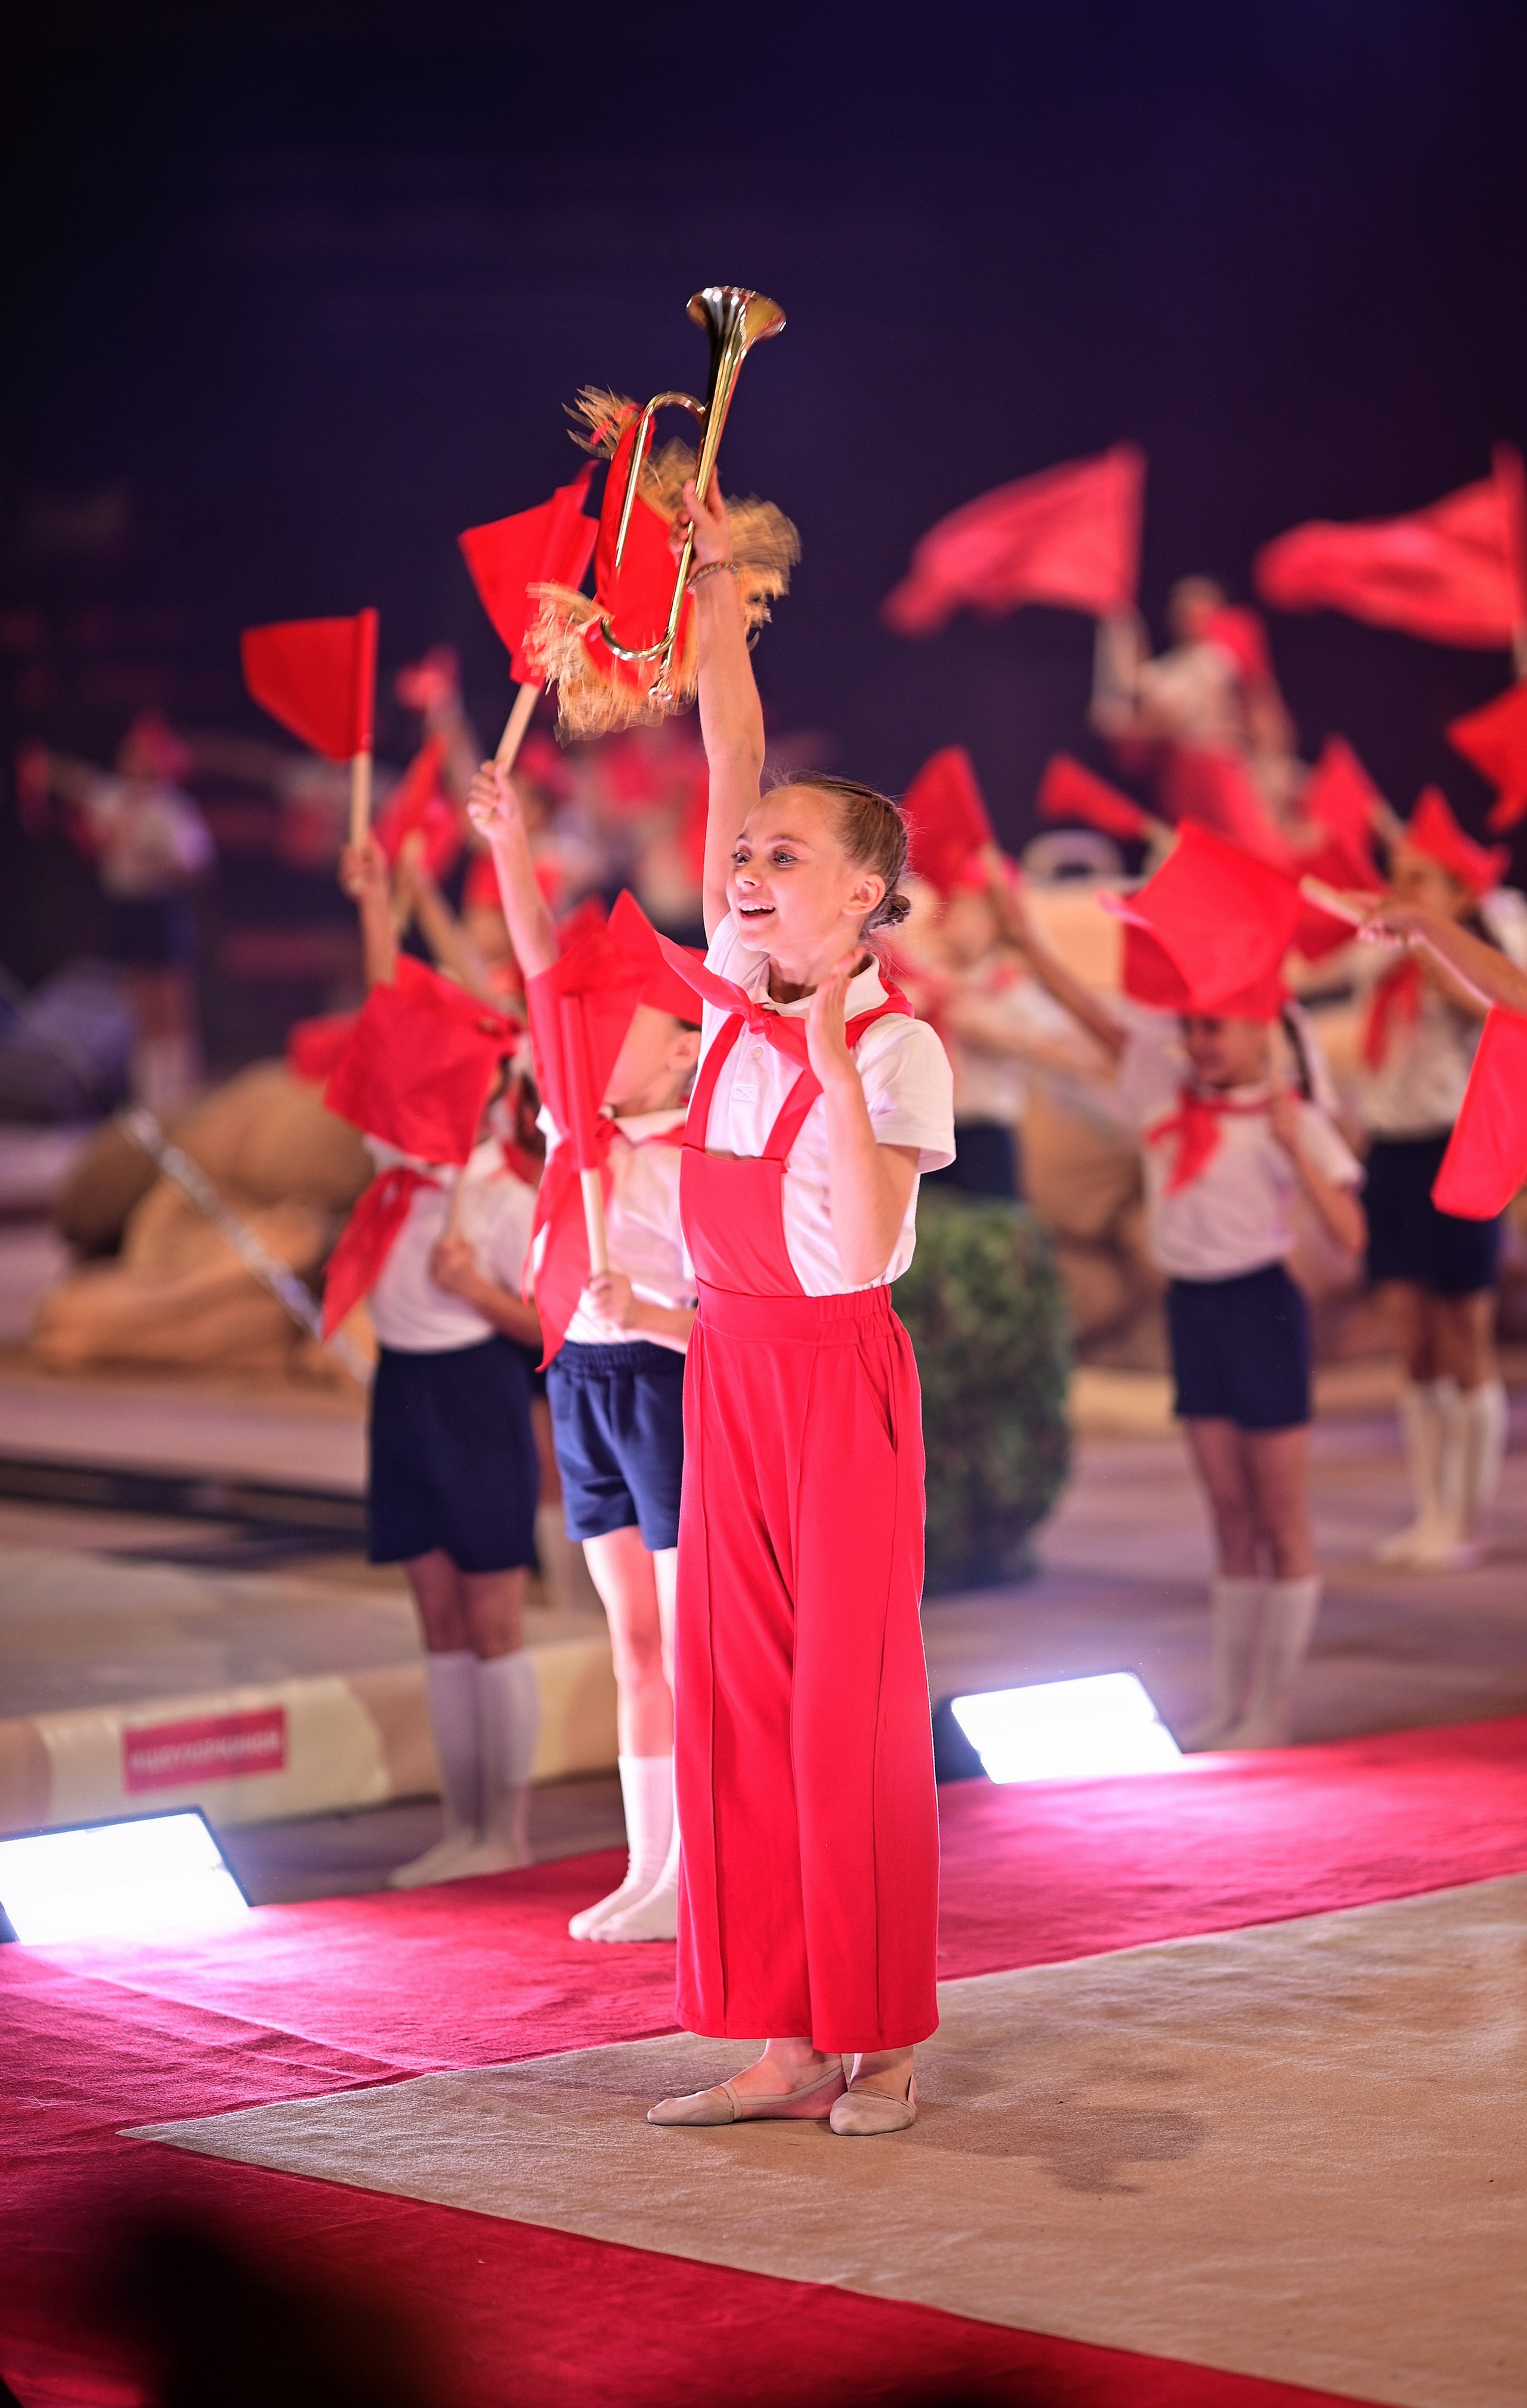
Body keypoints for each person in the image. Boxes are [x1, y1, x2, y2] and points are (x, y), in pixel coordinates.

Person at [643, 476, 954, 2138]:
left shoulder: (895, 1050)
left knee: (849, 1713)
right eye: (744, 854)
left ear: (864, 898)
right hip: (729, 1370)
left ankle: (880, 2036)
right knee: (739, 1706)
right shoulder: (728, 992)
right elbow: (731, 748)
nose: (749, 863)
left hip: (836, 1382)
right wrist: (715, 592)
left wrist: (828, 1052)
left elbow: (866, 1240)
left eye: (786, 855)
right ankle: (780, 2034)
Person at [1007, 897, 1365, 1750]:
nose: (1200, 1042)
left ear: (1259, 1030)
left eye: (1217, 1028)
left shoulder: (1293, 1118)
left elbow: (1351, 1239)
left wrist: (1296, 1148)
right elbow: (1094, 1019)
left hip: (1261, 1307)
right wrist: (1027, 941)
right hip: (1193, 1309)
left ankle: (1273, 1707)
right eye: (1193, 1026)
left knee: (1280, 1517)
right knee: (1229, 1518)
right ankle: (1234, 1704)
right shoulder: (1160, 1091)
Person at [466, 762, 700, 1944]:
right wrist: (510, 843)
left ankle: (699, 1868)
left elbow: (738, 1322)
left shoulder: (700, 1158)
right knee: (631, 1642)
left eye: (631, 1022)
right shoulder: (577, 1126)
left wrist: (646, 1309)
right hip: (583, 1381)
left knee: (689, 1642)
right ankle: (647, 1864)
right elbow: (537, 968)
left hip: (663, 1386)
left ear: (682, 1051)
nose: (597, 1029)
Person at [333, 836, 544, 1889]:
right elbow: (387, 1009)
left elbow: (553, 1329)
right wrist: (378, 903)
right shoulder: (400, 1153)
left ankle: (507, 1827)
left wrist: (476, 1292)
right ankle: (463, 1825)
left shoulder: (502, 1194)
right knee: (438, 1615)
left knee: (494, 1618)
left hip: (477, 1391)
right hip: (406, 1390)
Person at [1351, 793, 1517, 1567]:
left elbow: (1502, 1009)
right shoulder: (1379, 955)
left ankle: (1466, 1519)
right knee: (1413, 1339)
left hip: (1459, 1147)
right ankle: (1428, 1511)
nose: (1403, 890)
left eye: (1421, 878)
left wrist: (1437, 949)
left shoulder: (1483, 953)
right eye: (1399, 875)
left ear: (1459, 894)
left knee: (1464, 1335)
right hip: (1391, 1153)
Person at [29, 713, 214, 1112]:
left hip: (160, 906)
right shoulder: (111, 796)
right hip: (125, 907)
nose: (134, 760)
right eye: (130, 752)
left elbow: (197, 866)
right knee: (138, 1003)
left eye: (143, 754)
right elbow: (77, 782)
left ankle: (181, 1096)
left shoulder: (171, 809)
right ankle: (149, 1097)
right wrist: (42, 765)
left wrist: (158, 860)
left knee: (171, 1005)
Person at [1092, 578, 1296, 867]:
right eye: (1182, 611)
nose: (1187, 619)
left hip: (1214, 770)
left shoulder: (1214, 661)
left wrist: (1125, 725)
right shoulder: (1174, 664)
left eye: (1197, 612)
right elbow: (1141, 690)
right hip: (1182, 773)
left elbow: (1163, 718)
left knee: (1251, 851)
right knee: (1188, 852)